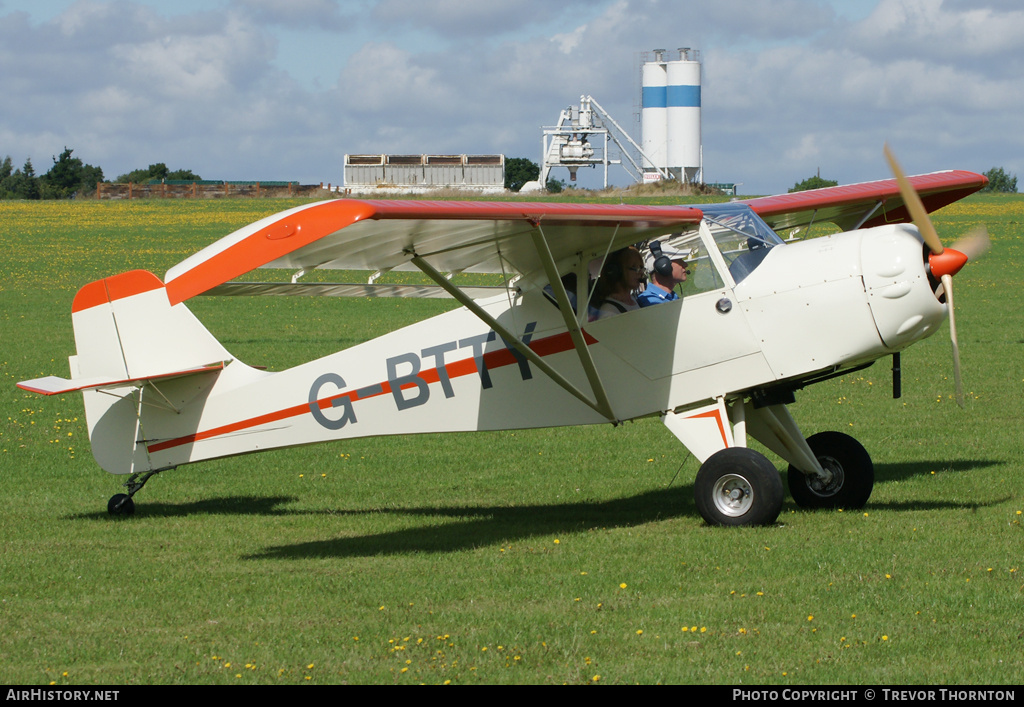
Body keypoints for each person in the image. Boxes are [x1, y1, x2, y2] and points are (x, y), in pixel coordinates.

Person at [591, 247, 645, 319]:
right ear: (616, 271)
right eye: (634, 267)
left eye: (641, 267)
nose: (641, 272)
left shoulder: (632, 300)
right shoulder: (609, 312)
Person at [637, 240, 692, 307]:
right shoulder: (650, 302)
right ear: (663, 265)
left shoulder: (671, 296)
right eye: (679, 260)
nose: (685, 264)